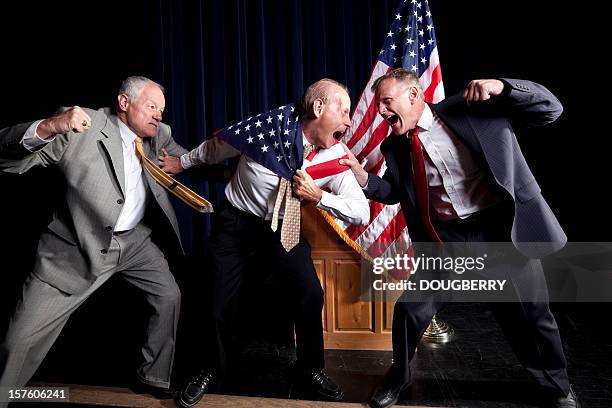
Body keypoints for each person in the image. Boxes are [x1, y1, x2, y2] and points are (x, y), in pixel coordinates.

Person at [341, 68, 579, 408]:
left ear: (413, 96)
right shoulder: (394, 147)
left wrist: (503, 86)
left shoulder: (473, 109)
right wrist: (362, 175)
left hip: (500, 233)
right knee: (409, 311)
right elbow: (395, 192)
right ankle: (397, 379)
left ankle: (558, 386)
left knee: (533, 316)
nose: (379, 110)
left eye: (386, 101)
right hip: (447, 240)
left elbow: (550, 108)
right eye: (378, 104)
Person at [159, 78, 370, 407]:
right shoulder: (265, 130)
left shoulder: (335, 156)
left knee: (310, 293)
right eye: (343, 110)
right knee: (214, 298)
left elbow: (360, 210)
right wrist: (181, 163)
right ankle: (210, 369)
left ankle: (309, 369)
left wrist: (320, 197)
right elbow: (218, 147)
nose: (347, 120)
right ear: (318, 108)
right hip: (237, 222)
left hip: (285, 226)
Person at [0, 76, 188, 404]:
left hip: (135, 244)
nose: (159, 114)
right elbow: (8, 158)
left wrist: (192, 164)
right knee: (18, 341)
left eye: (162, 108)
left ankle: (152, 375)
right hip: (77, 245)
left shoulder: (160, 134)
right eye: (152, 106)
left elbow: (192, 157)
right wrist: (50, 126)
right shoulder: (80, 127)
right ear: (124, 103)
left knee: (169, 296)